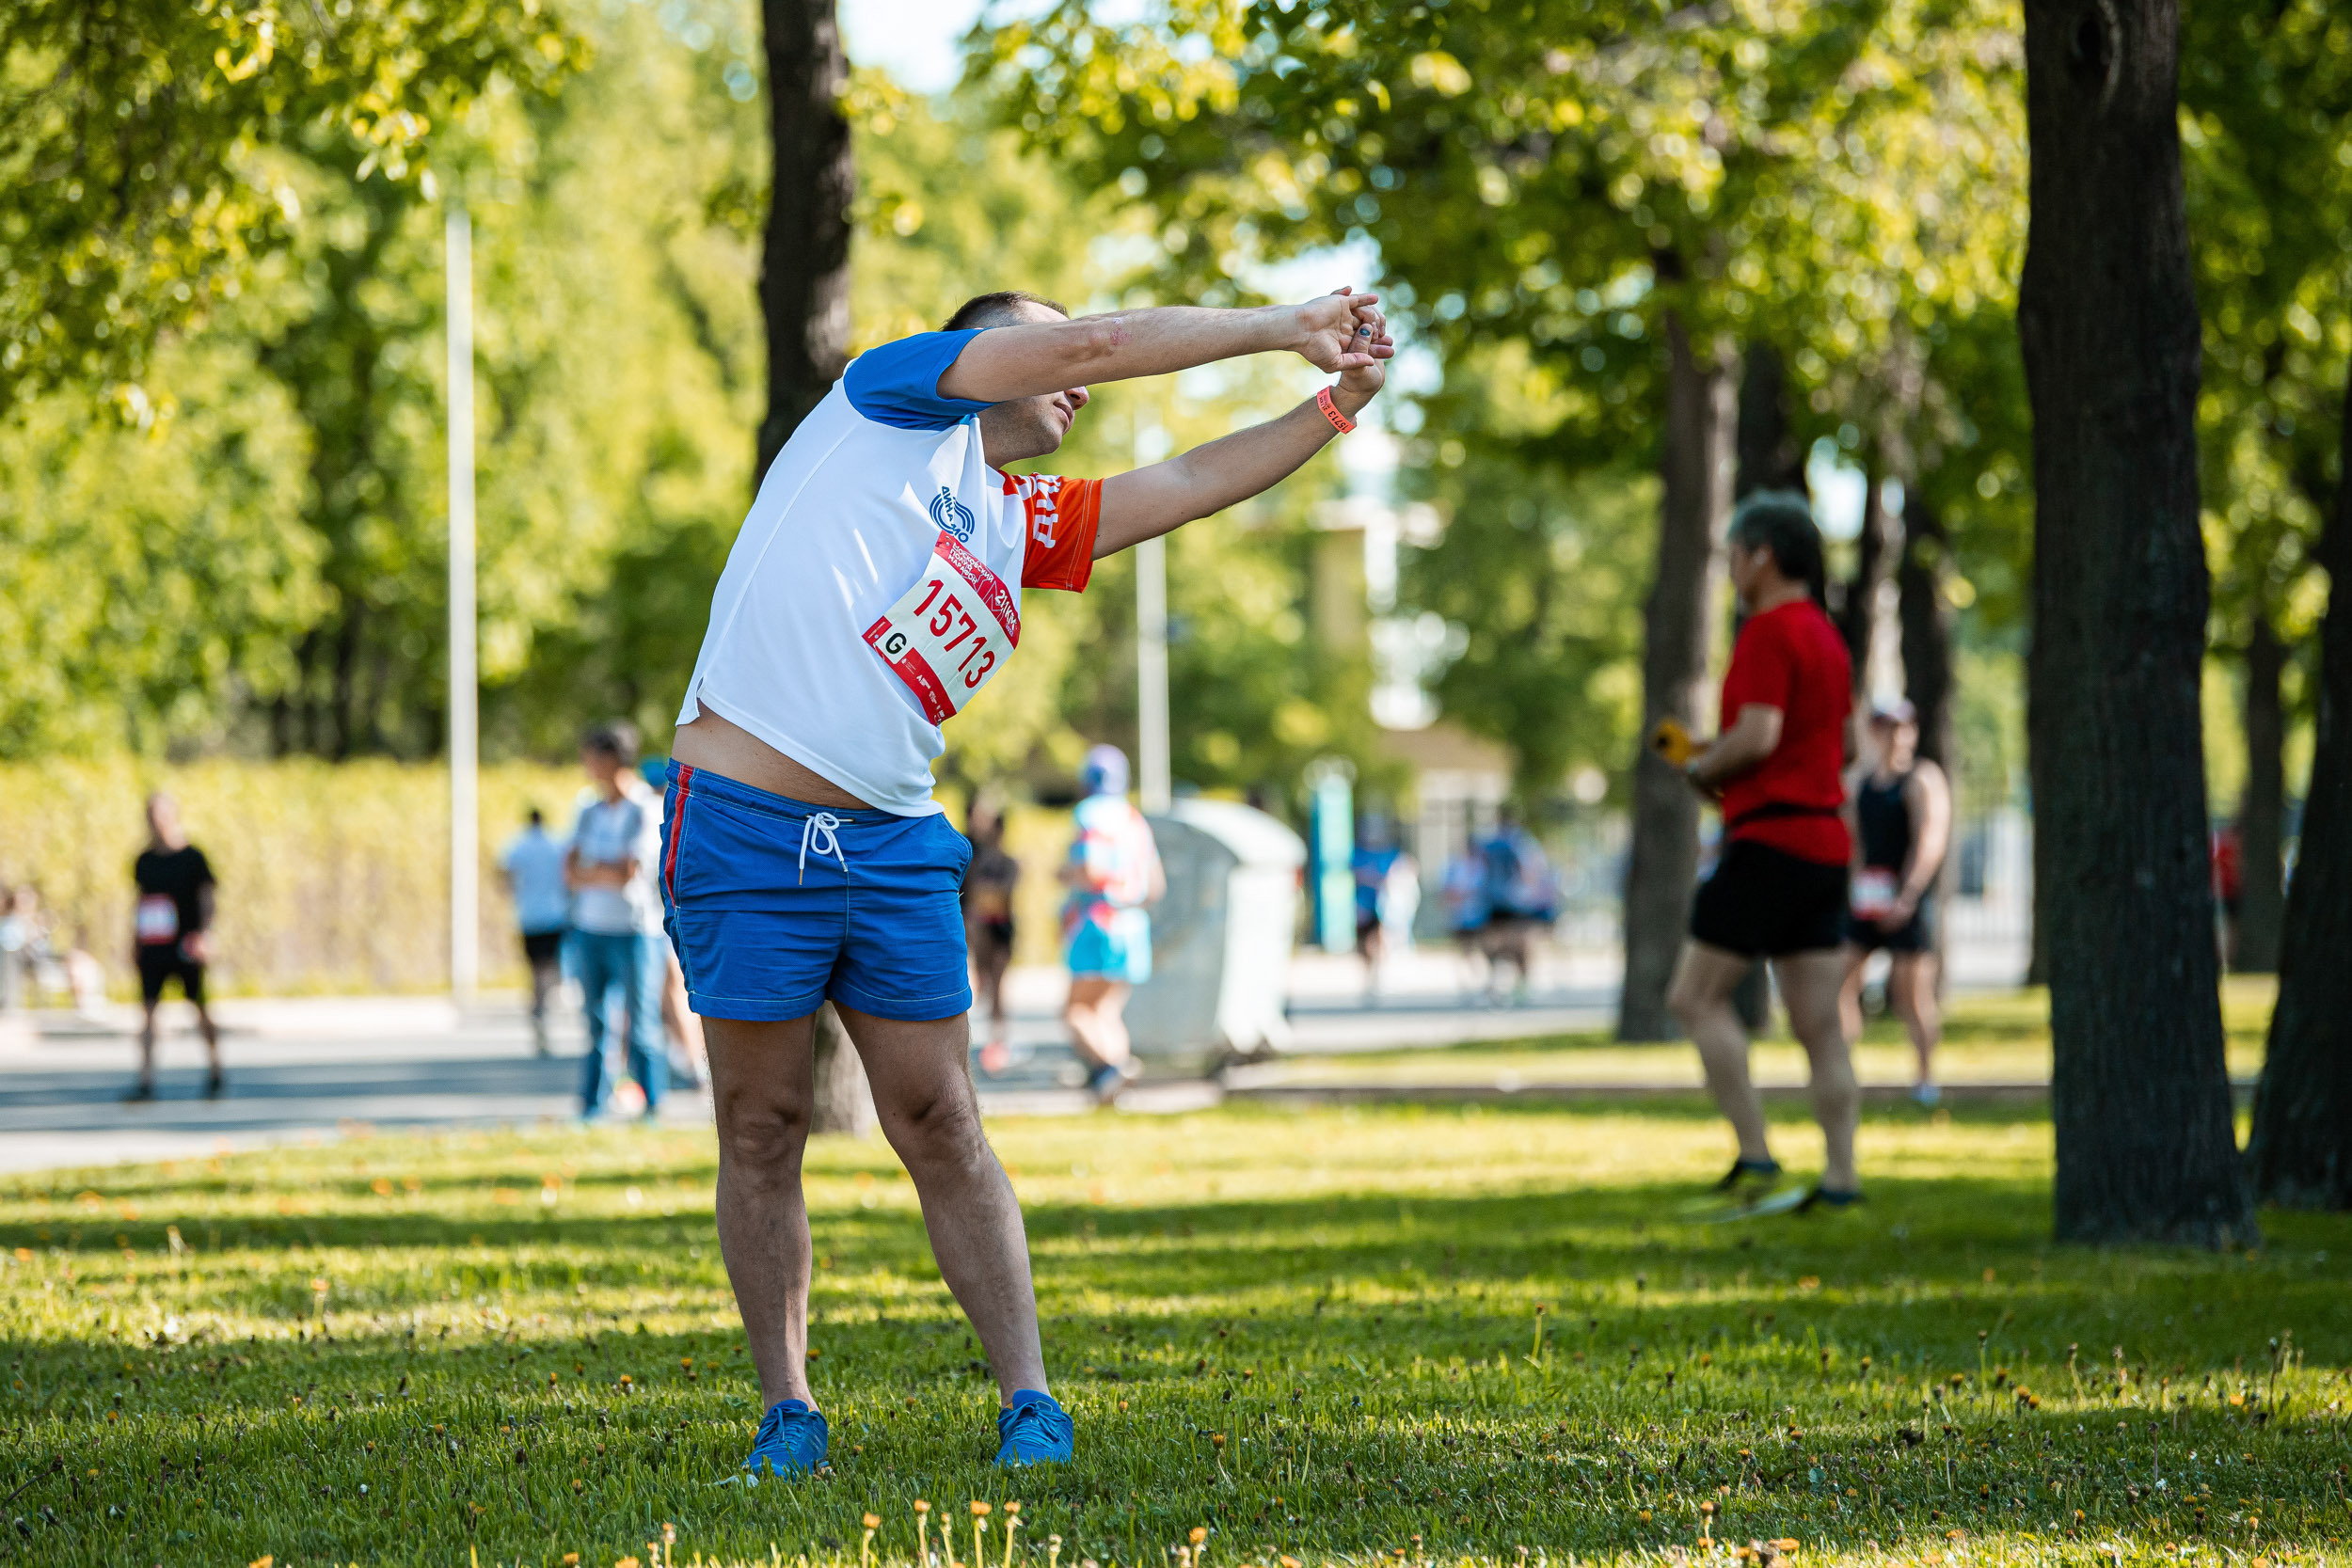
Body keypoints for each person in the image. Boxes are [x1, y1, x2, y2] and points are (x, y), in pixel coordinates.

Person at [658, 285, 1391, 1476]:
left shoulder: (1008, 515)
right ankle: (788, 1412)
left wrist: (1335, 407)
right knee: (761, 1121)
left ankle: (1029, 1405)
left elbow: (1193, 481)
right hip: (744, 826)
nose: (1081, 377)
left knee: (943, 1118)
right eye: (1047, 346)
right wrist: (1284, 321)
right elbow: (1096, 340)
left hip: (895, 840)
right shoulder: (891, 399)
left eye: (1071, 352)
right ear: (986, 352)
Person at [1664, 492, 1861, 1212]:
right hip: (1823, 844)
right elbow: (1848, 748)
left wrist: (1701, 769)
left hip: (1769, 839)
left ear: (1762, 555)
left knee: (1693, 996)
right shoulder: (1829, 637)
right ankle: (1841, 1177)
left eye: (1734, 556)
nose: (1730, 570)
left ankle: (1755, 1154)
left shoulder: (1769, 630)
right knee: (1820, 1024)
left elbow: (1758, 735)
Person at [1840, 699, 1952, 1105]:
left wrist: (1907, 896)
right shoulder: (1860, 782)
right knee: (1841, 979)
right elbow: (1853, 842)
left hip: (1907, 902)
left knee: (1912, 995)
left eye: (1904, 726)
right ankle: (1843, 1071)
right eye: (1887, 727)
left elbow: (1930, 839)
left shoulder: (1922, 778)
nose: (1896, 735)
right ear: (1874, 731)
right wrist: (1856, 888)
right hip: (1867, 899)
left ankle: (1925, 1080)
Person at [566, 722, 667, 1121]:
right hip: (591, 927)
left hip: (636, 931)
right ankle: (591, 1105)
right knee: (594, 1023)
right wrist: (601, 872)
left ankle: (653, 1105)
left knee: (641, 1024)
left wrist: (594, 871)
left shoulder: (644, 807)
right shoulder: (588, 809)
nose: (586, 764)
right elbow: (570, 869)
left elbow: (630, 871)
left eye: (591, 755)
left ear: (611, 759)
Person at [1059, 745, 1163, 1102]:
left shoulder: (1089, 815)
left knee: (1075, 1011)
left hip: (1097, 923)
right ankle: (1115, 1081)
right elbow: (1156, 884)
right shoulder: (1135, 819)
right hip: (1132, 924)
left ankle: (1111, 1067)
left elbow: (1091, 870)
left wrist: (1063, 874)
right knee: (1106, 1009)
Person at [128, 793, 223, 1101]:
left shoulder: (193, 857)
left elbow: (207, 896)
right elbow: (140, 902)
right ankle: (146, 1080)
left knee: (199, 1007)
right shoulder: (144, 861)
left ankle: (215, 1070)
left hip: (186, 944)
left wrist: (205, 934)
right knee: (148, 1012)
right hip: (154, 945)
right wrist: (133, 941)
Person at [499, 807, 571, 1055]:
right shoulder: (556, 844)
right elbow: (569, 873)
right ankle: (546, 1004)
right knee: (551, 967)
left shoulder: (518, 845)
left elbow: (504, 873)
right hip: (555, 913)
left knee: (535, 969)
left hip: (529, 916)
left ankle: (538, 1006)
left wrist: (515, 895)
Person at [961, 796, 1022, 1073]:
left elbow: (999, 895)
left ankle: (997, 1044)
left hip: (997, 928)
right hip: (983, 927)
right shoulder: (977, 856)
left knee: (995, 987)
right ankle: (989, 1043)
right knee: (983, 985)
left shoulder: (1004, 862)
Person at [1351, 820, 1402, 998]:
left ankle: (1379, 975)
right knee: (1363, 943)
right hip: (1361, 905)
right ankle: (1367, 976)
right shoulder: (1358, 853)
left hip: (1381, 905)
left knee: (1380, 939)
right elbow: (1357, 874)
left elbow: (1393, 875)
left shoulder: (1388, 853)